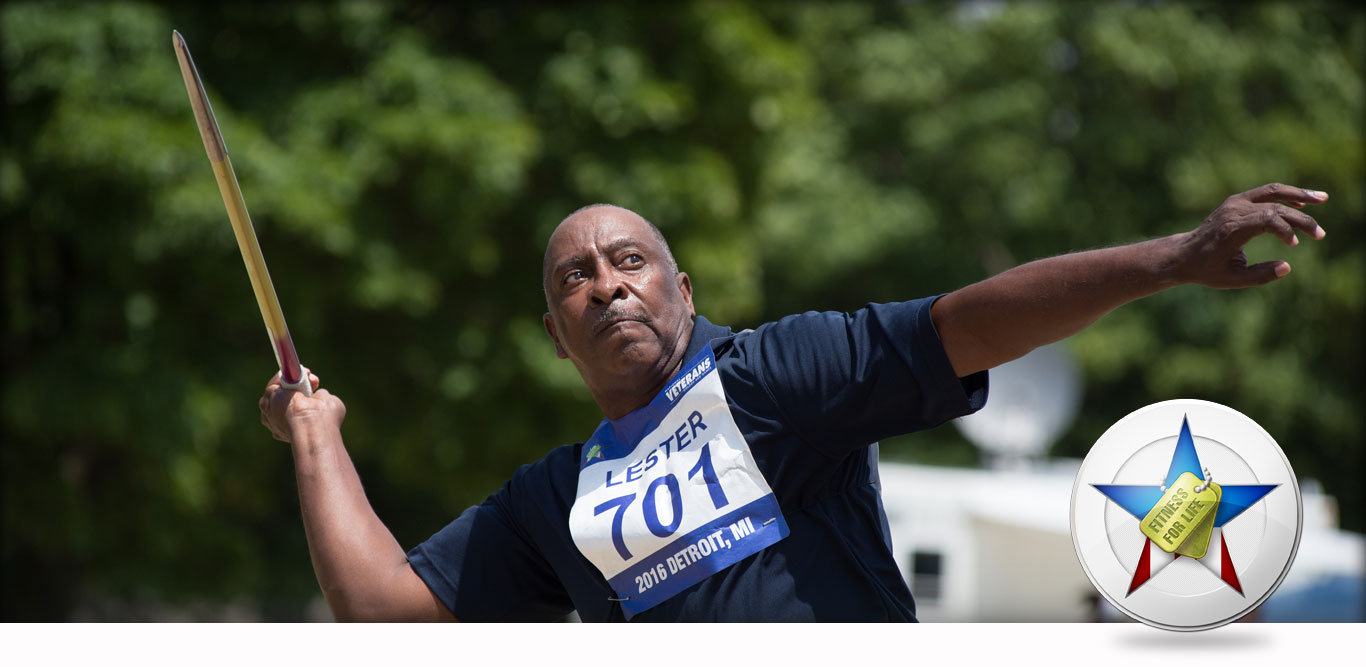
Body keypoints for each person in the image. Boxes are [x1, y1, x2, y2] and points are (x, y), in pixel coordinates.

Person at [260, 183, 1328, 621]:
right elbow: (385, 610)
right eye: (572, 280)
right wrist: (316, 434)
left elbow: (965, 322)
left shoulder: (770, 378)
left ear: (684, 290)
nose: (604, 284)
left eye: (629, 260)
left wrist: (1172, 257)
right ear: (556, 337)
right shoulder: (552, 499)